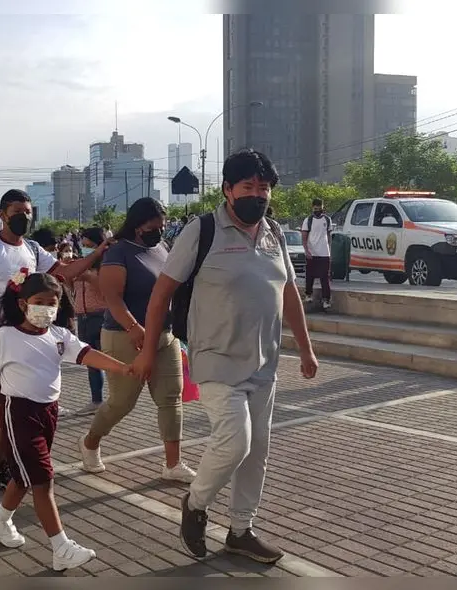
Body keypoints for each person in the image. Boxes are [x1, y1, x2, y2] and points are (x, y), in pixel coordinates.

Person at [136, 149, 319, 563]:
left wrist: (305, 348)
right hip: (215, 356)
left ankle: (241, 530)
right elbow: (161, 293)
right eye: (248, 187)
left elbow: (289, 292)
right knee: (235, 441)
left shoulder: (272, 232)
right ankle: (195, 504)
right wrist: (148, 350)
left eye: (264, 188)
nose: (258, 195)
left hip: (264, 360)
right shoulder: (201, 231)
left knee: (257, 450)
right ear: (227, 190)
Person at [0, 272, 131, 570]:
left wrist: (124, 369)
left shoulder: (59, 336)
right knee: (43, 480)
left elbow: (87, 354)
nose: (46, 308)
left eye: (51, 303)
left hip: (48, 414)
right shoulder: (4, 337)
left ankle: (0, 521)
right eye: (39, 302)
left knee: (24, 478)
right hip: (18, 414)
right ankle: (61, 548)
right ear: (22, 304)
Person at [0, 188, 110, 491]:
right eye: (17, 212)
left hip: (25, 332)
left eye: (28, 212)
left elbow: (64, 272)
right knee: (4, 403)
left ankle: (2, 463)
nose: (24, 217)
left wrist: (97, 253)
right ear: (2, 214)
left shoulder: (33, 248)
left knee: (14, 404)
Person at [78, 198, 196, 482]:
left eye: (163, 225)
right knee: (122, 402)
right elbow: (112, 299)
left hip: (164, 335)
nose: (160, 230)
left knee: (171, 397)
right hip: (124, 336)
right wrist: (133, 328)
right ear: (138, 223)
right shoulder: (119, 252)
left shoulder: (160, 248)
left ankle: (173, 464)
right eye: (154, 225)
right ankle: (90, 441)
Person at [72, 226, 109, 415]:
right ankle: (96, 400)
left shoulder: (107, 264)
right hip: (83, 317)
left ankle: (118, 400)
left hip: (100, 316)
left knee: (108, 359)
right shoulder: (81, 263)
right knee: (92, 362)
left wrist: (89, 277)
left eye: (90, 245)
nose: (85, 248)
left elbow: (109, 291)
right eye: (83, 245)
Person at [301, 198, 333, 310]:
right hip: (312, 253)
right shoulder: (308, 220)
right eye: (315, 208)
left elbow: (329, 237)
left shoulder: (327, 220)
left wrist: (329, 250)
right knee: (310, 275)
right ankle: (308, 294)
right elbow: (304, 238)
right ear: (312, 208)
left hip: (324, 253)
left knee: (325, 277)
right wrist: (307, 251)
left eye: (319, 208)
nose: (318, 210)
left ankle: (326, 300)